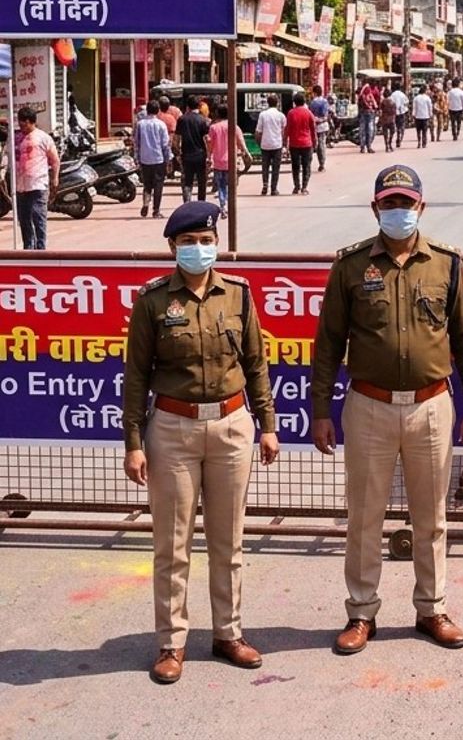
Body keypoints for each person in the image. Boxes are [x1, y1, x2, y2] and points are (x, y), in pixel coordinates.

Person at [310, 165, 463, 653]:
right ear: (375, 209)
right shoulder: (349, 268)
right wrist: (320, 409)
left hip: (432, 407)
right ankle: (361, 612)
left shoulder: (447, 265)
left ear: (421, 208)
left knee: (431, 516)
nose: (398, 212)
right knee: (365, 515)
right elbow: (328, 344)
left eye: (406, 204)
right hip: (368, 405)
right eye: (389, 204)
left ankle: (432, 608)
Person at [122, 202, 279, 683]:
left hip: (232, 426)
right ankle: (171, 643)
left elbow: (256, 363)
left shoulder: (238, 296)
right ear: (172, 247)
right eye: (188, 242)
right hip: (172, 429)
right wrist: (133, 441)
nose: (198, 248)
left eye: (205, 240)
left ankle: (228, 633)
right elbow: (136, 377)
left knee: (228, 540)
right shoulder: (152, 302)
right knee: (172, 544)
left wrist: (267, 423)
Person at [10, 107, 60, 249]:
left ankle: (41, 250)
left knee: (38, 219)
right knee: (24, 221)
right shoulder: (16, 138)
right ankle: (28, 249)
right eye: (20, 124)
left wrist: (55, 178)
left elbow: (55, 160)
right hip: (20, 186)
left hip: (38, 185)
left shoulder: (43, 138)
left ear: (31, 122)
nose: (22, 127)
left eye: (24, 124)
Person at [207, 103, 252, 219]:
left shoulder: (213, 128)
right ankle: (229, 204)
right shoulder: (234, 127)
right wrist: (246, 153)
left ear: (217, 114)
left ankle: (223, 206)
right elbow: (241, 143)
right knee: (231, 185)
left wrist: (209, 157)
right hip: (231, 162)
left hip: (218, 162)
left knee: (221, 185)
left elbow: (210, 145)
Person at [135, 101, 172, 220]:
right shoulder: (161, 125)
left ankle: (146, 203)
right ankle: (156, 210)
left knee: (147, 184)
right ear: (158, 111)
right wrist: (168, 158)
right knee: (158, 185)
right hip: (158, 159)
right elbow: (165, 144)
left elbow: (137, 143)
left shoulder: (140, 124)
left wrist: (137, 158)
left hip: (145, 159)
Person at [176, 95, 210, 203]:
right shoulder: (202, 120)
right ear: (198, 106)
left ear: (187, 106)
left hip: (186, 154)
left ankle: (187, 203)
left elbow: (176, 139)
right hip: (200, 155)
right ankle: (201, 203)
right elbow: (206, 139)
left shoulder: (182, 119)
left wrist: (178, 152)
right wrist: (209, 155)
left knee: (188, 182)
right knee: (202, 181)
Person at [284, 91, 317, 196]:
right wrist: (315, 142)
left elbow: (287, 129)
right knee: (306, 166)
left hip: (294, 144)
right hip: (307, 144)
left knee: (295, 166)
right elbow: (313, 129)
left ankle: (296, 186)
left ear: (294, 102)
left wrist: (285, 141)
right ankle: (304, 187)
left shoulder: (291, 113)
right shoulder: (309, 113)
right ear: (304, 102)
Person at [254, 93, 286, 196]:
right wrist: (284, 143)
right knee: (276, 168)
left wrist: (259, 142)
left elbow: (258, 131)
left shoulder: (263, 115)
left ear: (267, 103)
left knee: (265, 167)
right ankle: (274, 188)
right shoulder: (281, 116)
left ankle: (265, 185)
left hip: (265, 144)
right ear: (277, 103)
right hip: (277, 144)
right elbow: (283, 131)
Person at [309, 84, 331, 171]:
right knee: (321, 145)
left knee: (312, 145)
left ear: (314, 93)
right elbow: (327, 114)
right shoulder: (325, 102)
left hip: (314, 125)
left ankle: (308, 163)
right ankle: (322, 164)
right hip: (323, 125)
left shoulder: (313, 102)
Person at [357, 78, 381, 154]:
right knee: (367, 129)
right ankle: (365, 147)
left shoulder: (369, 90)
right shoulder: (366, 90)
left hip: (368, 112)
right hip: (367, 112)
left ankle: (366, 146)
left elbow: (378, 100)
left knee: (367, 130)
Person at [412, 84, 434, 148]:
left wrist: (413, 115)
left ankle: (419, 142)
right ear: (424, 91)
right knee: (424, 131)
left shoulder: (416, 98)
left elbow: (414, 108)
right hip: (425, 116)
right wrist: (430, 114)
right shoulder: (427, 98)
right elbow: (430, 107)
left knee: (418, 131)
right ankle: (424, 143)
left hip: (418, 116)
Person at [389, 83, 409, 149]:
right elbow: (406, 102)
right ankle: (399, 139)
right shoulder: (402, 94)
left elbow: (390, 102)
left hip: (394, 113)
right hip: (401, 112)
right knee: (401, 126)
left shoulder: (392, 95)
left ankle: (394, 139)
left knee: (395, 126)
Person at [379, 89, 397, 153]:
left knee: (385, 133)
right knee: (392, 132)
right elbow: (395, 112)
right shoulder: (393, 102)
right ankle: (390, 143)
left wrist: (380, 118)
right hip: (391, 119)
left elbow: (380, 111)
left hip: (384, 119)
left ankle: (386, 145)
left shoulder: (382, 102)